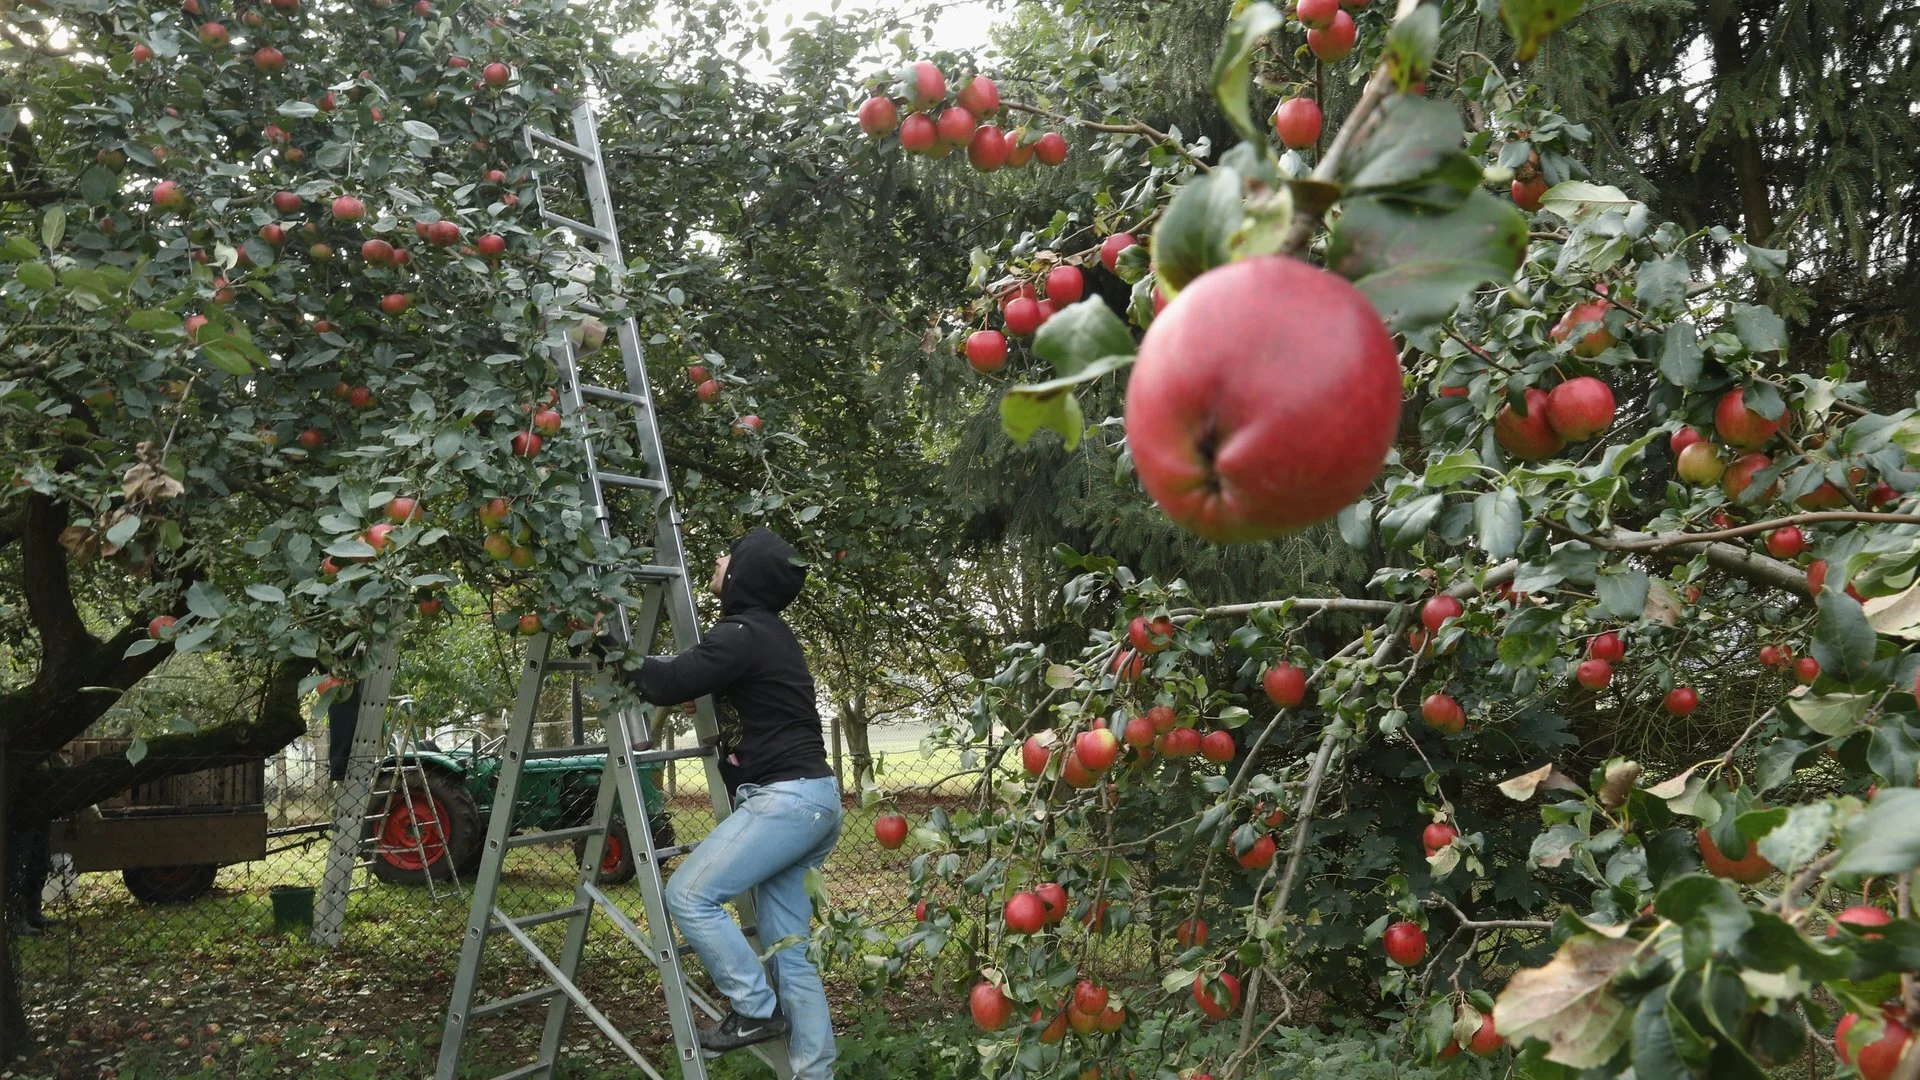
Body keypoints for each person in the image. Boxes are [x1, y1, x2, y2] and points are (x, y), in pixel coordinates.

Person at [614, 526, 842, 1077]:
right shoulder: (767, 633)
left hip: (786, 801)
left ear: (741, 575)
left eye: (728, 555)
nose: (719, 559)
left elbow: (664, 682)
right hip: (817, 799)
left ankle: (753, 1008)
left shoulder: (740, 632)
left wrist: (603, 644)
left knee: (690, 894)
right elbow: (747, 694)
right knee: (791, 950)